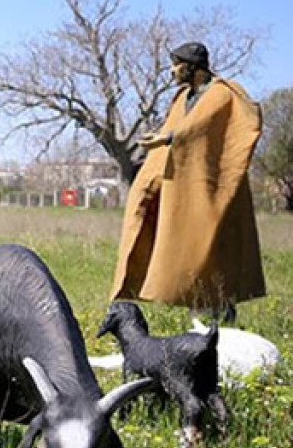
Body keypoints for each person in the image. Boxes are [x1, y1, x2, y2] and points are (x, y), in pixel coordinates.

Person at [110, 41, 265, 321]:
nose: (171, 71)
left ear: (193, 67)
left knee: (212, 248)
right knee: (183, 245)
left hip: (212, 188)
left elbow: (200, 127)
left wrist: (168, 138)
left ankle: (220, 314)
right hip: (183, 186)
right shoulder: (183, 97)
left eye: (176, 64)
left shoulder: (220, 94)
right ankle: (195, 306)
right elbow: (177, 128)